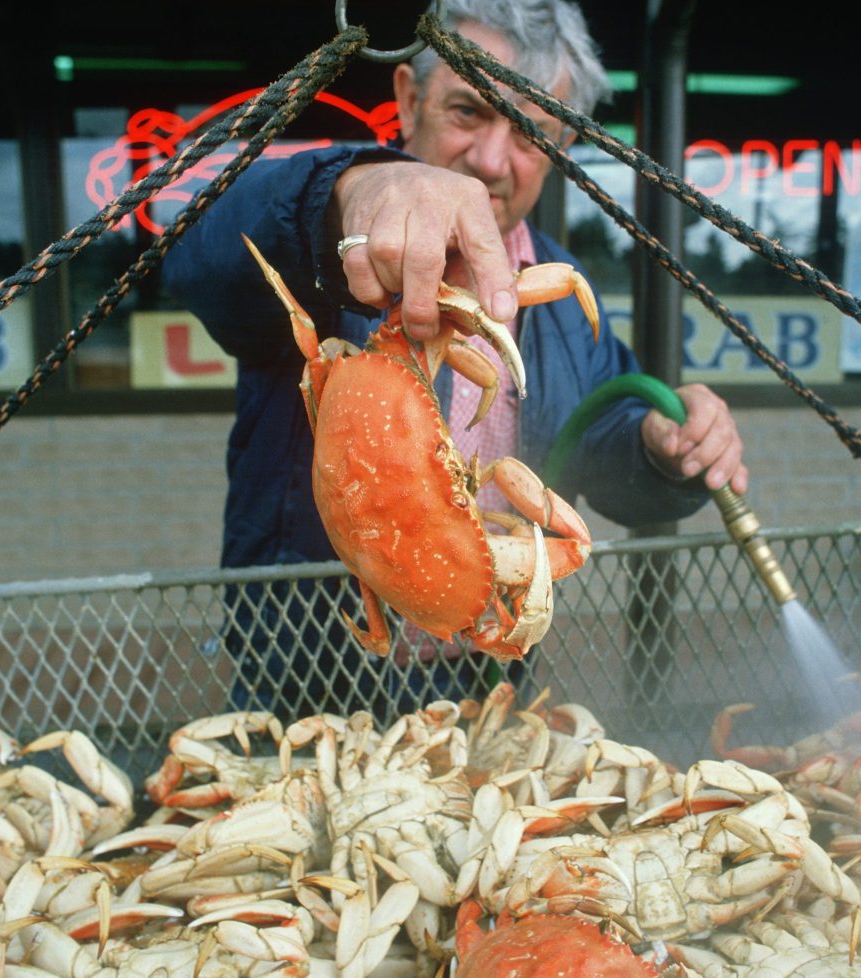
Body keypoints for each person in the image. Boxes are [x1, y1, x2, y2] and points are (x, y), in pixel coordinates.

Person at [163, 0, 748, 719]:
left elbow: (601, 445)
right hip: (308, 674)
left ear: (562, 140)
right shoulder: (325, 252)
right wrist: (350, 191)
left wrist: (663, 450)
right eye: (469, 112)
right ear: (409, 98)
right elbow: (196, 252)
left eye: (533, 132)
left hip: (485, 669)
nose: (494, 160)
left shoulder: (562, 293)